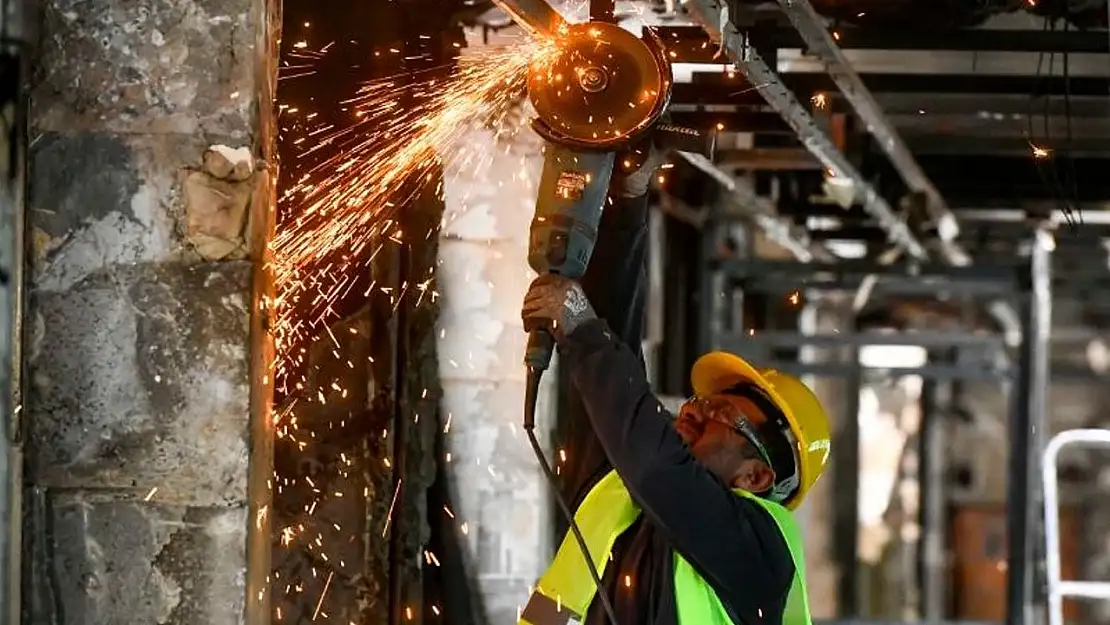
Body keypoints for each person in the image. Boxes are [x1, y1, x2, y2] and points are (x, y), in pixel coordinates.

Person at [515, 142, 833, 625]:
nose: (693, 411)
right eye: (702, 401)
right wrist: (627, 199)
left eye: (721, 416)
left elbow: (656, 463)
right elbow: (619, 358)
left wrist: (582, 332)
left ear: (755, 477)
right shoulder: (625, 499)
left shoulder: (759, 547)